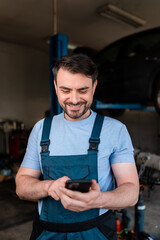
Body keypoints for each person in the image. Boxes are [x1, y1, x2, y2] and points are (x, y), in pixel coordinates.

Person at [15, 54, 139, 240]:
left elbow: (131, 191)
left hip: (97, 232)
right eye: (66, 90)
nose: (74, 100)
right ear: (56, 87)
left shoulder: (115, 130)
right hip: (47, 232)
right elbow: (21, 186)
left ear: (94, 87)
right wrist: (49, 187)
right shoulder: (41, 129)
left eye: (83, 90)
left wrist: (99, 200)